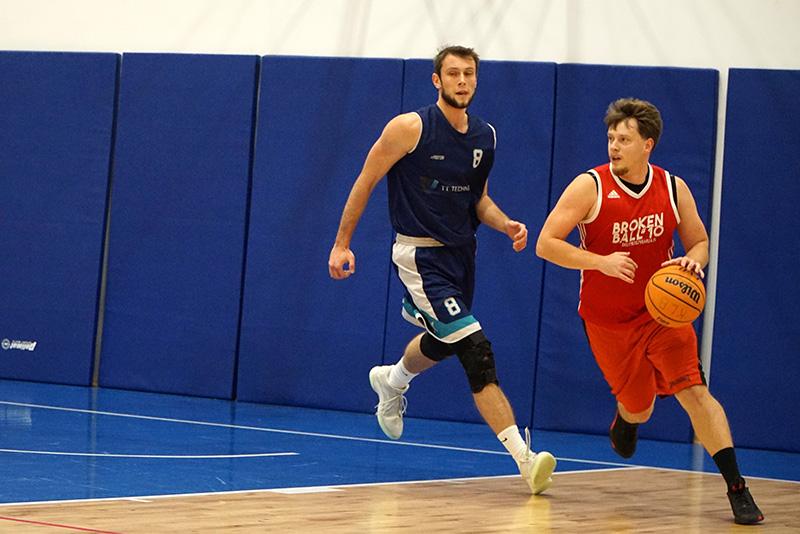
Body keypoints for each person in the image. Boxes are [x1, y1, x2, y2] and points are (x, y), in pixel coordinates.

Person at [328, 45, 556, 495]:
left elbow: (478, 200)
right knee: (475, 348)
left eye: (469, 73)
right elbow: (366, 180)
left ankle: (392, 380)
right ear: (437, 80)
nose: (462, 81)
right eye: (453, 73)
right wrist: (341, 244)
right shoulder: (409, 128)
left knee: (446, 340)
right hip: (419, 256)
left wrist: (505, 223)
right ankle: (525, 460)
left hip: (461, 255)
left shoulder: (485, 136)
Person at [535, 97, 763, 524]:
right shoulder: (589, 186)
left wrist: (693, 261)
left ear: (647, 145)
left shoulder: (673, 188)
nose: (614, 146)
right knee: (640, 407)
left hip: (663, 314)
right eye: (610, 138)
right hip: (608, 322)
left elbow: (700, 242)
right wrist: (600, 262)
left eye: (624, 139)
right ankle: (627, 418)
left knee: (695, 393)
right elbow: (545, 243)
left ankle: (737, 487)